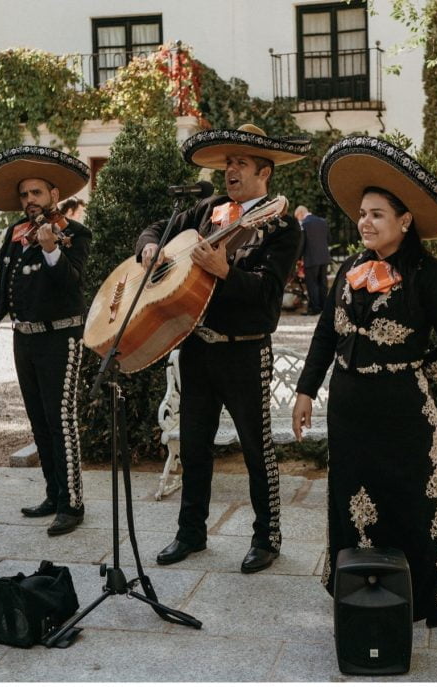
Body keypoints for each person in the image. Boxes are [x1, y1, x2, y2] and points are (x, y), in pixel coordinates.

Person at [292, 136, 437, 626]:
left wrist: (414, 374)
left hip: (402, 410)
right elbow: (327, 330)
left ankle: (434, 596)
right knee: (350, 494)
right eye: (363, 213)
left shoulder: (433, 276)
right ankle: (358, 586)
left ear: (404, 221)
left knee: (413, 496)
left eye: (377, 214)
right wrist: (306, 390)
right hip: (349, 406)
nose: (365, 222)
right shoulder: (349, 269)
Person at [137, 124, 309, 574]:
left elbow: (267, 294)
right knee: (194, 446)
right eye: (227, 163)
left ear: (264, 172)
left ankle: (266, 537)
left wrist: (225, 271)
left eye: (241, 163)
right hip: (197, 347)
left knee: (257, 449)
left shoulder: (283, 227)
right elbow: (157, 226)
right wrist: (151, 246)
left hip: (246, 351)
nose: (230, 169)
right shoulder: (209, 208)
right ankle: (191, 533)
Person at [0, 146, 92, 537]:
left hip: (62, 337)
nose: (29, 201)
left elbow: (73, 285)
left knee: (61, 422)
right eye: (24, 195)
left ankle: (72, 503)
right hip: (23, 340)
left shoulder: (75, 233)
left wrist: (50, 249)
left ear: (54, 195)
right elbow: (3, 283)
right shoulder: (14, 234)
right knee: (39, 423)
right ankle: (53, 493)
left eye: (37, 193)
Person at [293, 205, 332, 315]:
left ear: (300, 213)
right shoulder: (323, 222)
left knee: (312, 284)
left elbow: (302, 244)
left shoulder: (304, 224)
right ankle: (324, 307)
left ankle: (315, 309)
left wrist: (298, 258)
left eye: (297, 217)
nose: (298, 220)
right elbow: (329, 239)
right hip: (324, 257)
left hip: (311, 258)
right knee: (323, 282)